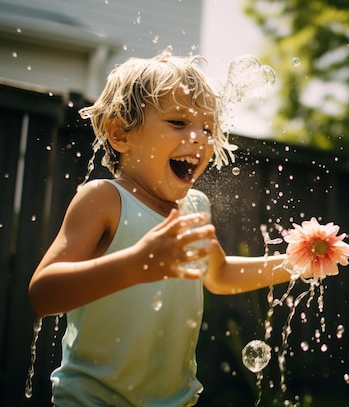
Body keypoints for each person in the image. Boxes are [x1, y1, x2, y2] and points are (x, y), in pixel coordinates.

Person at [28, 47, 297, 407]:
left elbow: (219, 275)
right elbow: (43, 294)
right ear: (121, 134)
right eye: (178, 122)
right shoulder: (105, 199)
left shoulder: (195, 206)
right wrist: (134, 264)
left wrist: (294, 263)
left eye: (207, 128)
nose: (200, 138)